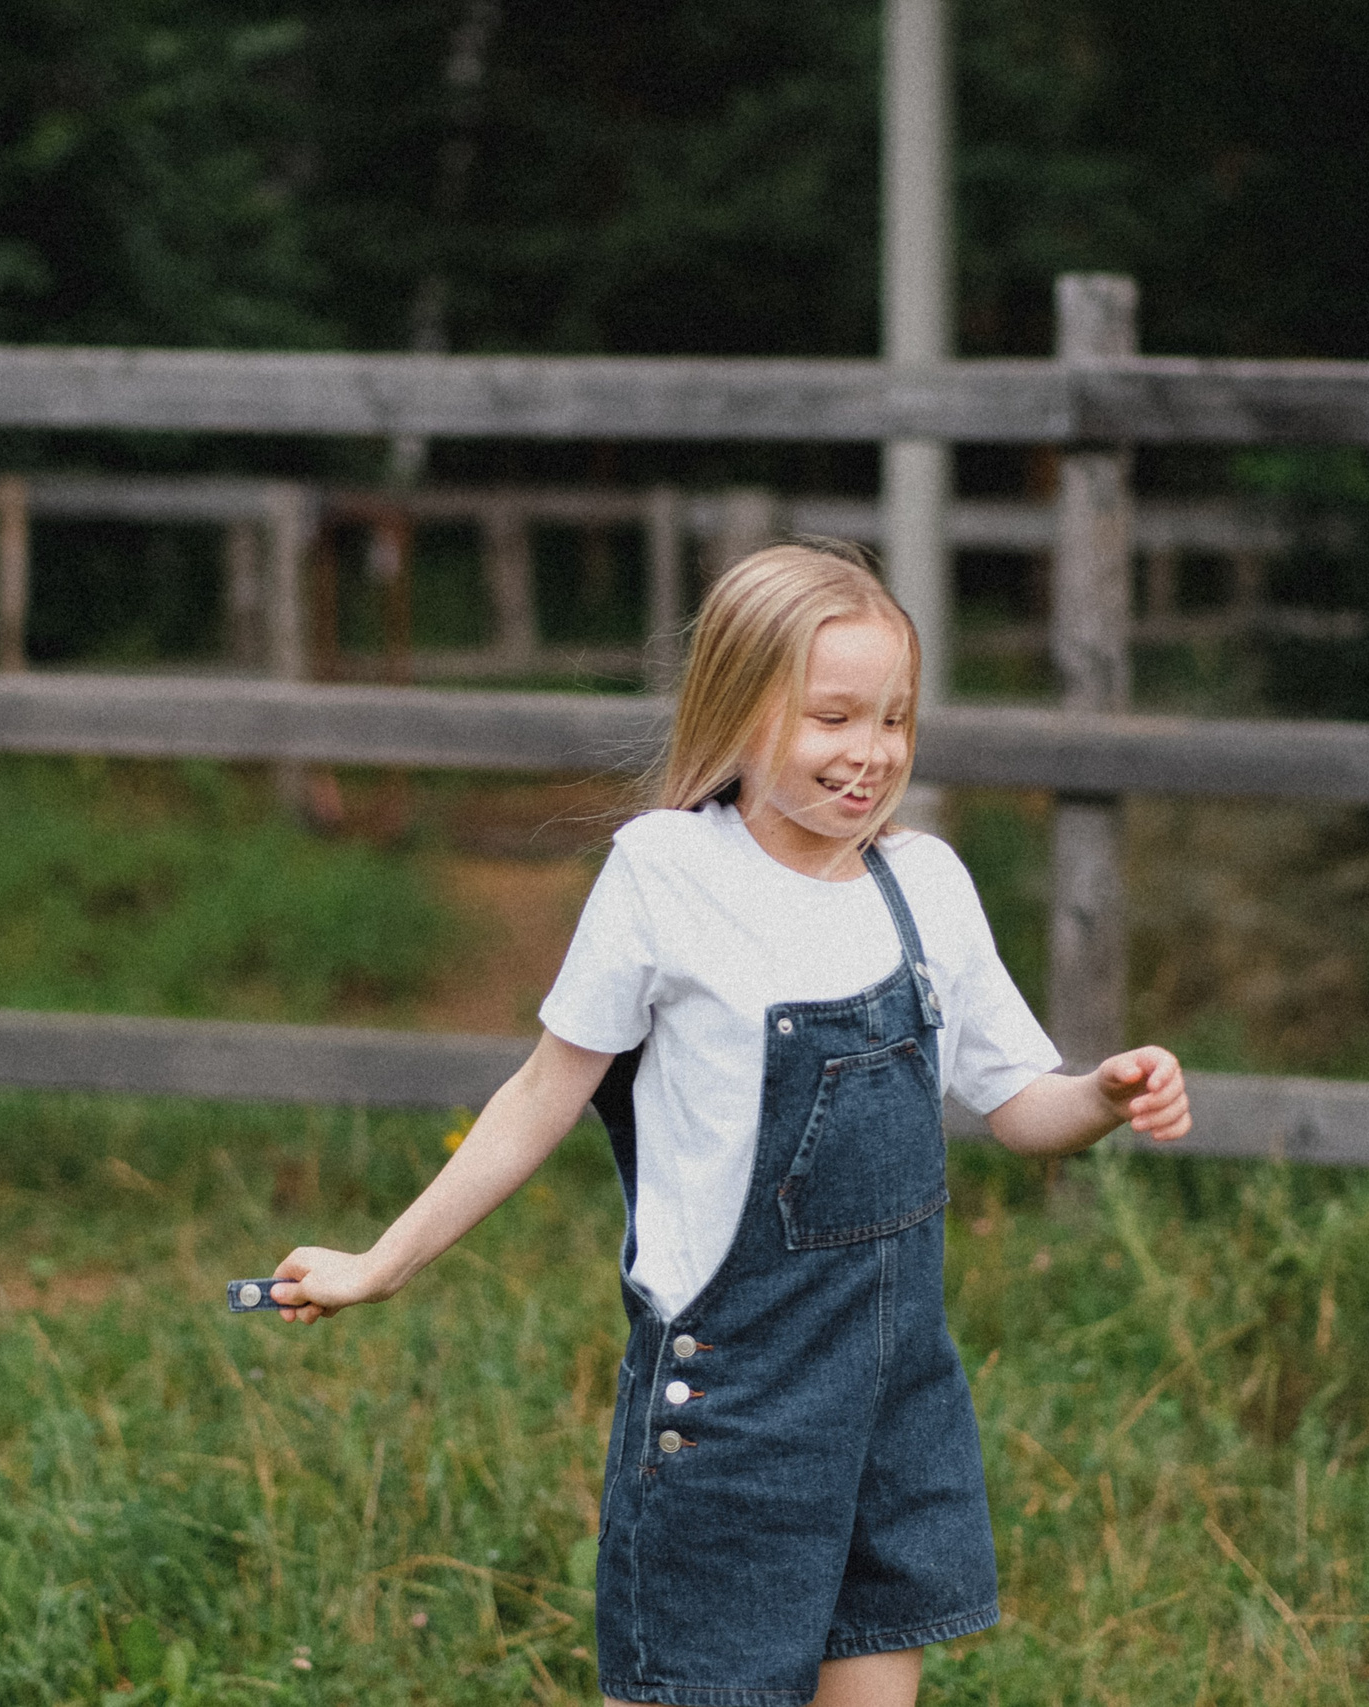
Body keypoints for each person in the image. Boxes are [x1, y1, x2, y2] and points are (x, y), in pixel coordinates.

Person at [266, 541, 1191, 1707]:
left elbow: (1018, 1107)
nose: (870, 752)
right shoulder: (666, 874)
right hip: (733, 1413)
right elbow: (543, 1092)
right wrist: (380, 1262)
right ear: (740, 711)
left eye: (894, 719)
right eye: (832, 718)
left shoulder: (924, 885)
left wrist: (1101, 1096)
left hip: (895, 1403)